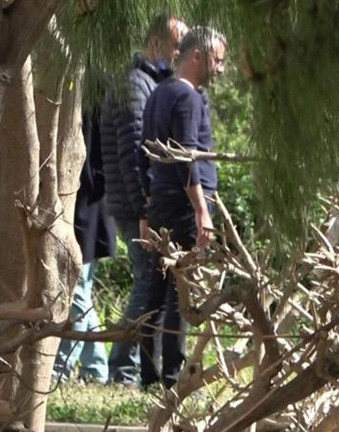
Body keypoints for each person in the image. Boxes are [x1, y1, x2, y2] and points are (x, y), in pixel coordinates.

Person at [100, 14, 188, 387]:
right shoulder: (136, 85)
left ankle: (127, 365)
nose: (181, 52)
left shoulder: (152, 82)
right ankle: (121, 368)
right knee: (146, 282)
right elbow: (134, 153)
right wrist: (143, 211)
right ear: (156, 43)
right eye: (176, 45)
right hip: (135, 205)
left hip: (140, 204)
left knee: (150, 281)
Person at [140, 26, 227, 388]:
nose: (221, 69)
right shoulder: (189, 98)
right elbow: (186, 157)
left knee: (154, 291)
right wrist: (202, 210)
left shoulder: (158, 93)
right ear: (198, 55)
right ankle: (172, 377)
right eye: (218, 60)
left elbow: (142, 155)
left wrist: (146, 211)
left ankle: (148, 376)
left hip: (160, 203)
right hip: (184, 207)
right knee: (181, 292)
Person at [52, 112, 117, 385]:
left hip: (86, 210)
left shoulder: (92, 109)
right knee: (82, 293)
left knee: (76, 291)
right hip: (90, 208)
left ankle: (63, 367)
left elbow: (95, 166)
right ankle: (97, 369)